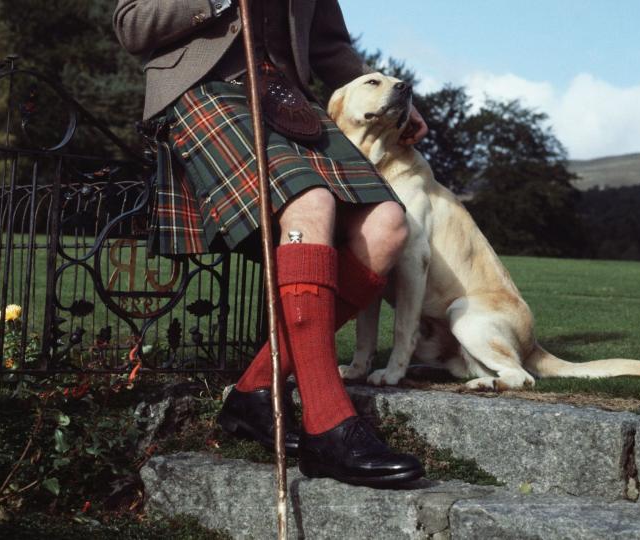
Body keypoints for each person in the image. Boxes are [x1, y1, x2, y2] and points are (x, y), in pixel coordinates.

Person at [113, 0, 428, 487]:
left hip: (285, 96)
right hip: (201, 91)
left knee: (387, 227)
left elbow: (330, 45)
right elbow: (131, 24)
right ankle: (328, 425)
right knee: (312, 203)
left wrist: (398, 105)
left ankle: (253, 390)